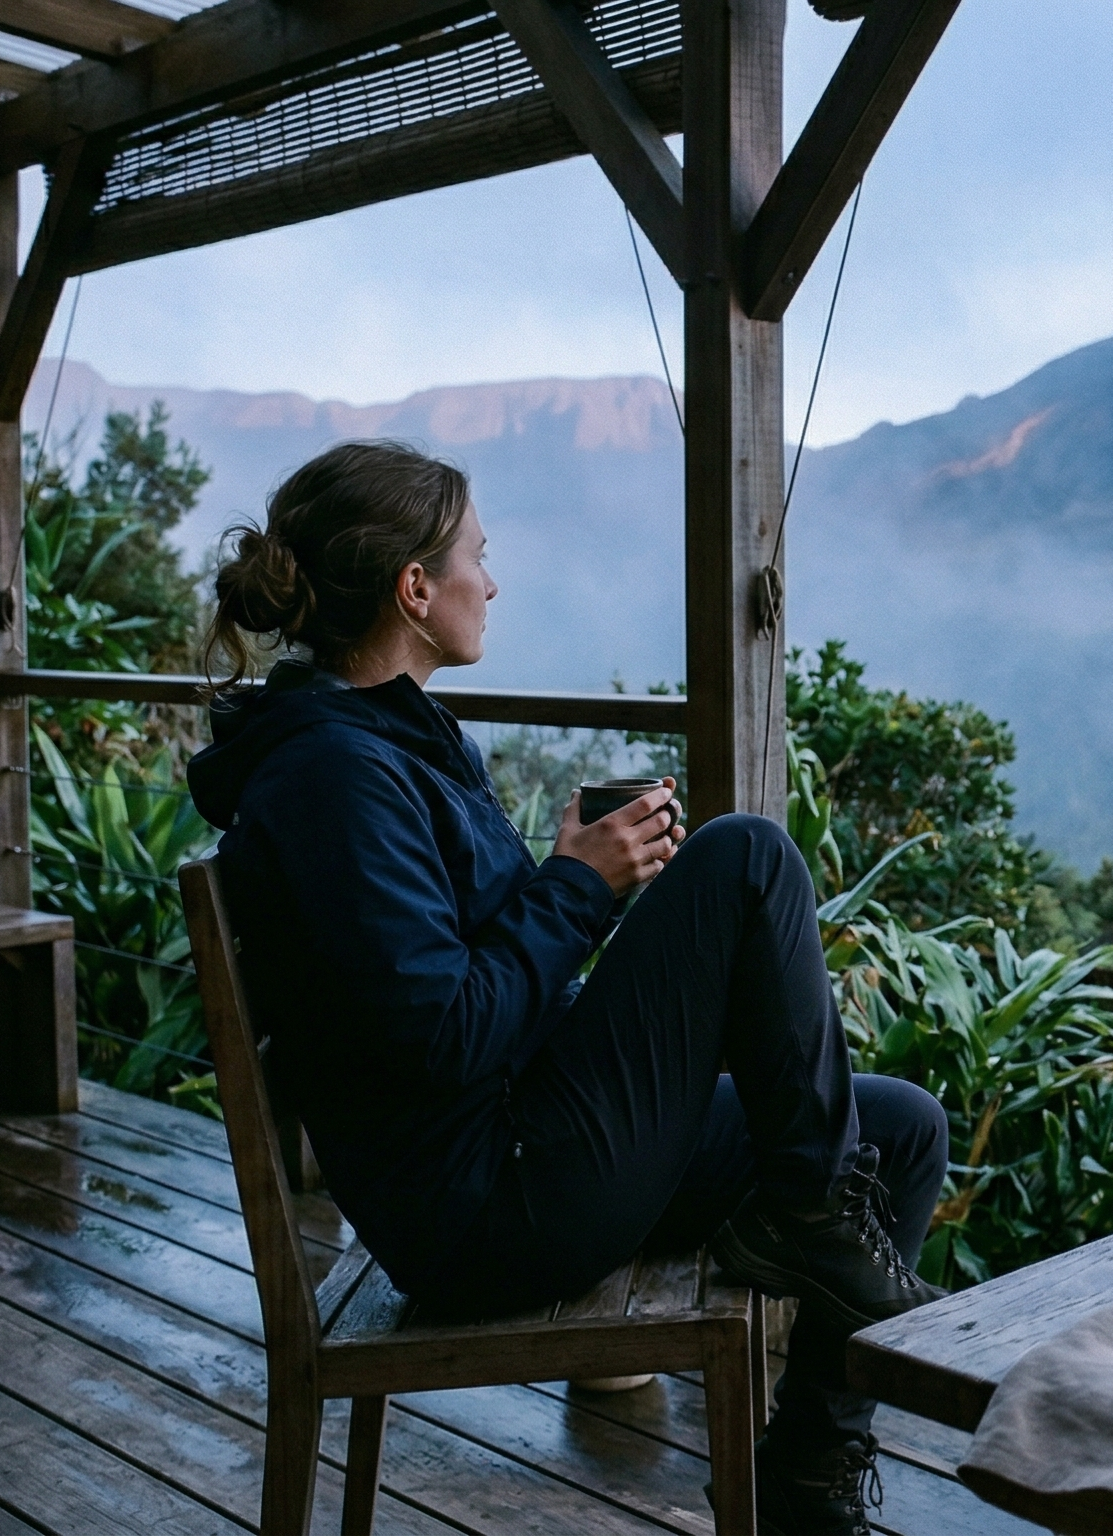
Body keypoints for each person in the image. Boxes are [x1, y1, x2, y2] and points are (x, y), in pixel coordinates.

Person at [186, 440, 941, 1536]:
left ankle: (809, 1482)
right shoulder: (335, 778)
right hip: (492, 1205)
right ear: (413, 588)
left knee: (900, 1129)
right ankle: (811, 1224)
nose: (489, 584)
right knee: (746, 859)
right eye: (475, 559)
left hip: (530, 1136)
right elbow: (440, 1035)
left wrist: (558, 879)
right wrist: (578, 890)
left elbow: (445, 975)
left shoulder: (388, 744)